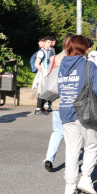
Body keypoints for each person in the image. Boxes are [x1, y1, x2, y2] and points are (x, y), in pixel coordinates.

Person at [57, 34, 97, 194]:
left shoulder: (62, 66)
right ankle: (85, 179)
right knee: (91, 146)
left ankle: (70, 185)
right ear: (83, 47)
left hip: (65, 111)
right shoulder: (88, 66)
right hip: (84, 111)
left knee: (72, 149)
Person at [43, 34, 73, 172]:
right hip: (71, 100)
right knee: (72, 133)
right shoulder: (76, 59)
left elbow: (49, 76)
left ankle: (49, 158)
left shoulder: (54, 58)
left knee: (57, 131)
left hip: (56, 99)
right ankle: (71, 163)